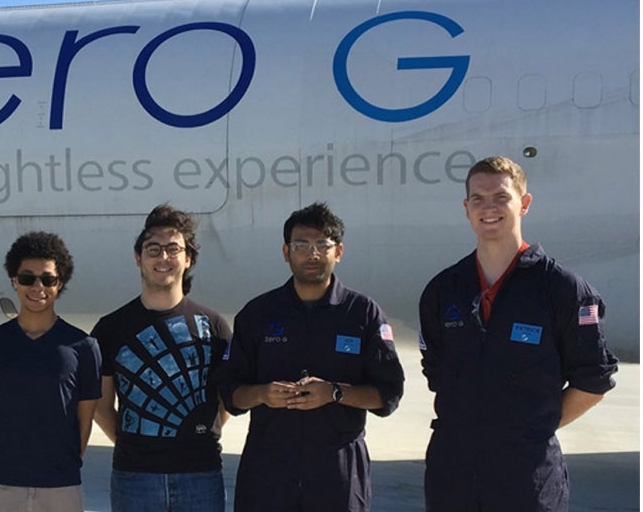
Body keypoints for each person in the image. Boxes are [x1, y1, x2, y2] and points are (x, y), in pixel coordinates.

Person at [418, 156, 618, 512]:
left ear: (524, 204)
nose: (488, 208)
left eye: (501, 197)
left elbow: (593, 382)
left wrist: (528, 428)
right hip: (452, 477)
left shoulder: (562, 289)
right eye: (477, 199)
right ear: (466, 209)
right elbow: (438, 373)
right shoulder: (443, 290)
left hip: (526, 480)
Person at [215, 202, 405, 511]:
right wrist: (262, 394)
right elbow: (230, 393)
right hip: (268, 474)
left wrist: (335, 393)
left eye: (322, 245)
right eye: (301, 245)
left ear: (338, 252)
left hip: (337, 475)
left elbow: (387, 394)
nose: (312, 254)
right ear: (285, 252)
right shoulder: (258, 314)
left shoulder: (363, 314)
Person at [91, 204, 232, 512]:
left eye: (173, 249)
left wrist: (193, 436)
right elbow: (101, 406)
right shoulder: (110, 329)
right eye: (153, 249)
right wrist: (137, 444)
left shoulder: (214, 326)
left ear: (188, 258)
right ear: (138, 258)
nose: (163, 258)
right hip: (134, 477)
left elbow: (225, 402)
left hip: (201, 475)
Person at [0, 231, 101, 512]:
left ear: (60, 283)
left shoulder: (83, 347)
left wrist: (59, 464)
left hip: (61, 486)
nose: (37, 287)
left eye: (48, 279)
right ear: (14, 281)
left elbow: (84, 423)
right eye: (28, 278)